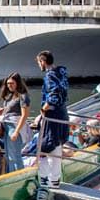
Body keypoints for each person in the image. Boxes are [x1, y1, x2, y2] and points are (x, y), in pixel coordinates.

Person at [36, 50, 70, 189]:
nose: (39, 66)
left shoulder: (50, 76)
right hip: (62, 111)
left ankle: (46, 178)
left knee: (47, 144)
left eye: (39, 62)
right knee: (56, 144)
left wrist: (44, 109)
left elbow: (54, 95)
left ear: (43, 61)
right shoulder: (61, 72)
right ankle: (54, 178)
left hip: (53, 113)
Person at [0, 73, 28, 171]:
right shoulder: (9, 96)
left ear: (17, 83)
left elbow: (24, 115)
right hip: (6, 126)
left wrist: (16, 131)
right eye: (8, 83)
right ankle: (12, 175)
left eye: (12, 83)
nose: (9, 85)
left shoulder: (23, 96)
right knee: (8, 155)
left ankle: (19, 176)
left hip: (14, 126)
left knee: (15, 155)